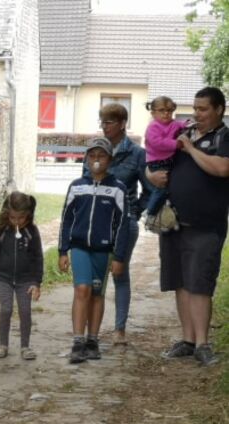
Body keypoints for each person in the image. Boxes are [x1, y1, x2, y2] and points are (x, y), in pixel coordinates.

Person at [147, 87, 229, 366]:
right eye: (195, 108)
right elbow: (155, 156)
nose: (197, 114)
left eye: (203, 109)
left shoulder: (223, 136)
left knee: (200, 284)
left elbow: (221, 168)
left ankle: (203, 344)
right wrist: (151, 174)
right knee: (180, 282)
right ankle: (188, 340)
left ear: (219, 109)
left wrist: (191, 148)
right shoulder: (184, 131)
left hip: (206, 225)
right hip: (174, 224)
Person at [87, 103, 152, 345]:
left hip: (124, 224)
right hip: (97, 223)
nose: (104, 127)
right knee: (96, 276)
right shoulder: (96, 150)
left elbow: (150, 189)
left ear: (122, 123)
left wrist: (134, 212)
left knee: (119, 274)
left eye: (109, 122)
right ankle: (90, 329)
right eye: (102, 122)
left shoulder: (136, 154)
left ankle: (119, 329)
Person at [61, 138, 130, 363]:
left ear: (110, 160)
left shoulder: (118, 189)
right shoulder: (76, 186)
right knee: (82, 290)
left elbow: (122, 226)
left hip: (103, 250)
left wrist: (119, 256)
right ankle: (78, 341)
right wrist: (63, 251)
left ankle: (93, 339)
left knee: (97, 295)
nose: (96, 160)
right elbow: (66, 220)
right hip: (80, 248)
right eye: (92, 156)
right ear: (86, 159)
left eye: (101, 156)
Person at [0, 191, 43, 360]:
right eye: (13, 218)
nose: (17, 222)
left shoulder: (32, 231)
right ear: (6, 214)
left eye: (21, 218)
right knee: (6, 309)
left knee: (25, 311)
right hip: (4, 278)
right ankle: (3, 345)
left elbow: (38, 257)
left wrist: (36, 282)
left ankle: (25, 346)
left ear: (28, 215)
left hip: (26, 280)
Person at [143, 96, 188, 230]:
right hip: (156, 162)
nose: (166, 113)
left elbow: (181, 124)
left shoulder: (172, 123)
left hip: (167, 160)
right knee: (162, 188)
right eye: (161, 110)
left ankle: (168, 218)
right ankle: (149, 212)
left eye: (169, 110)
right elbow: (158, 143)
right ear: (153, 113)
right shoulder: (153, 127)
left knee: (170, 189)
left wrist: (188, 123)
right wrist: (176, 144)